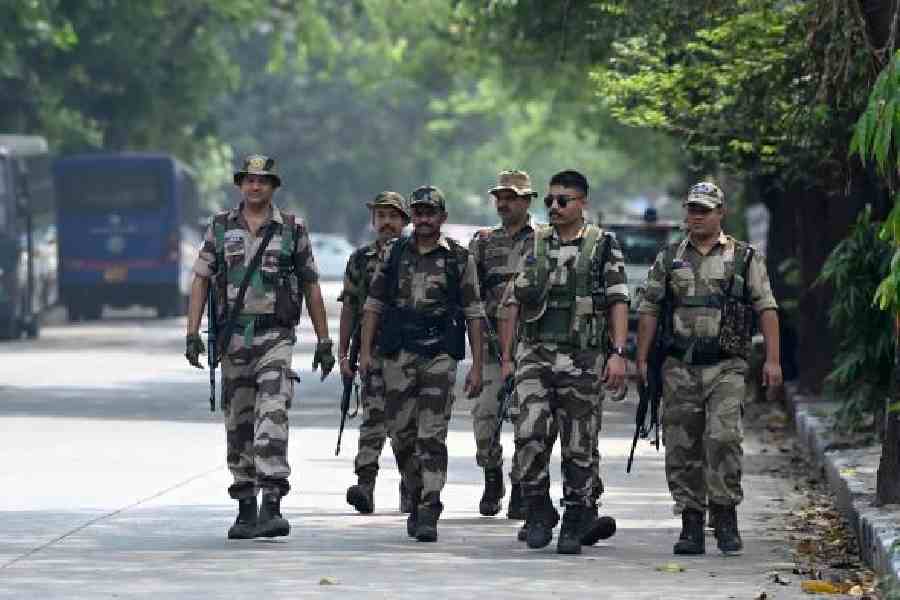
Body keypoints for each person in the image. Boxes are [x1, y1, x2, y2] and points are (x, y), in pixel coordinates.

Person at [185, 155, 335, 539]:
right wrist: (192, 334)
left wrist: (323, 339)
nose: (255, 187)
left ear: (273, 187)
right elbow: (201, 279)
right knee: (239, 422)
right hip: (234, 339)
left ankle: (273, 504)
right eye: (249, 181)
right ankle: (245, 507)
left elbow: (311, 284)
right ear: (240, 185)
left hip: (275, 338)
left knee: (272, 414)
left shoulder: (291, 228)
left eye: (262, 181)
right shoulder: (220, 227)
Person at [636, 181, 782, 556]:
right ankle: (690, 520)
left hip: (727, 366)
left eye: (704, 209)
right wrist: (640, 359)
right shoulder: (669, 258)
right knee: (682, 446)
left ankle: (725, 512)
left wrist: (772, 360)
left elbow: (766, 307)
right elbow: (650, 309)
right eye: (691, 209)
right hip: (679, 367)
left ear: (721, 213)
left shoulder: (745, 258)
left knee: (723, 438)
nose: (696, 216)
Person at [501, 169, 629, 554]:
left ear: (582, 203)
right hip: (535, 354)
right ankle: (538, 509)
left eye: (563, 200)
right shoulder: (535, 243)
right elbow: (513, 300)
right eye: (550, 201)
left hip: (583, 358)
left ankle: (576, 515)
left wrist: (618, 354)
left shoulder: (603, 244)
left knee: (579, 444)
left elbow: (618, 300)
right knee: (528, 434)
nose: (554, 207)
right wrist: (507, 356)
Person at [358, 185, 485, 542]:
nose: (424, 219)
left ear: (442, 218)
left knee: (432, 435)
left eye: (431, 212)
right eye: (419, 212)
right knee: (401, 435)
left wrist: (477, 366)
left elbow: (475, 313)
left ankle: (430, 504)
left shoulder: (459, 258)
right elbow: (373, 305)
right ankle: (414, 492)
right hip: (398, 354)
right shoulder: (395, 254)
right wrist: (366, 354)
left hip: (439, 355)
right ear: (412, 217)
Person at [468, 170, 538, 518]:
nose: (504, 203)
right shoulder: (483, 243)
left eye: (511, 197)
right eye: (500, 197)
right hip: (495, 349)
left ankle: (521, 487)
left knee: (527, 423)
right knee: (484, 419)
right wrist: (477, 362)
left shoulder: (544, 241)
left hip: (533, 349)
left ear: (527, 201)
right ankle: (492, 476)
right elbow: (472, 303)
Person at [339, 191, 412, 514]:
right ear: (373, 221)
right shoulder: (360, 259)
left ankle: (412, 484)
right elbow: (350, 308)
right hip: (372, 351)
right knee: (373, 419)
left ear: (404, 222)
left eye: (393, 216)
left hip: (410, 353)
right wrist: (345, 354)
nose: (387, 222)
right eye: (381, 216)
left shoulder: (416, 256)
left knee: (405, 425)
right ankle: (365, 484)